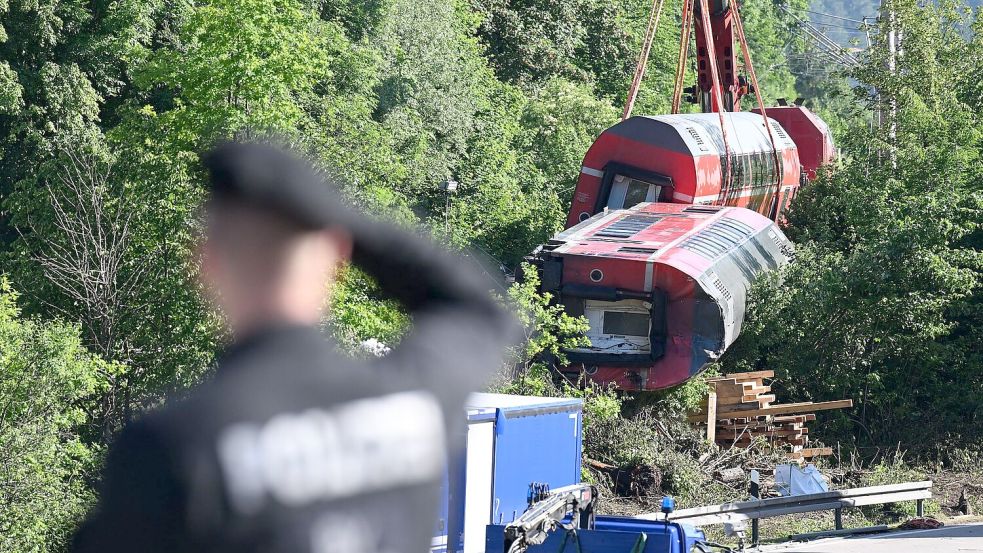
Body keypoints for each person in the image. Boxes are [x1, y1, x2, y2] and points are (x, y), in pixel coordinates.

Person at [72, 141, 519, 553]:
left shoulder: (175, 449)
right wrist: (344, 224)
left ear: (205, 265)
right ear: (337, 258)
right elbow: (477, 308)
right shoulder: (414, 398)